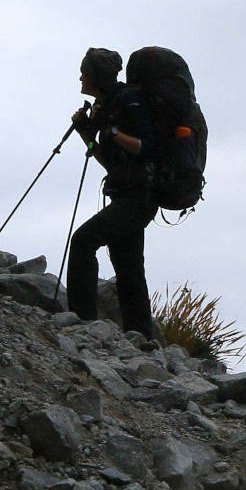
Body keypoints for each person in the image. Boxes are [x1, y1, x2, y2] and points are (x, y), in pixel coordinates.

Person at [66, 46, 159, 339]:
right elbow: (108, 161)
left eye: (84, 72)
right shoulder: (107, 105)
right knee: (128, 268)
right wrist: (86, 134)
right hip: (126, 194)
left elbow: (148, 147)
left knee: (83, 241)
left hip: (140, 195)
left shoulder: (129, 100)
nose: (81, 78)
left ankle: (81, 322)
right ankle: (141, 338)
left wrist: (113, 131)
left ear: (96, 76)